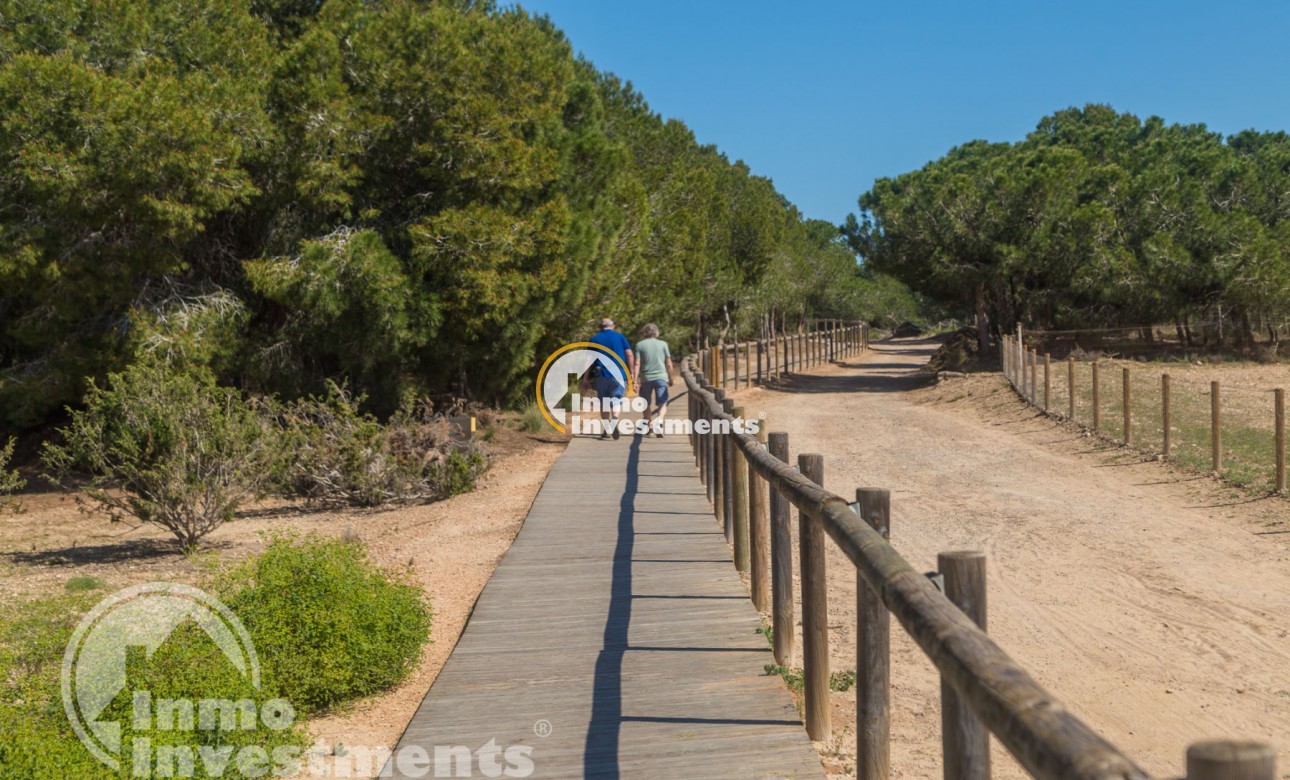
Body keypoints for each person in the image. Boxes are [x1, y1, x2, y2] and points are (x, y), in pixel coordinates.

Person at [588, 318, 633, 440]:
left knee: (604, 402)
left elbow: (589, 360)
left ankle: (607, 430)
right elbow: (629, 354)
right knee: (617, 399)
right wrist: (631, 372)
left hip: (601, 374)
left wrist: (585, 378)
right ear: (612, 326)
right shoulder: (620, 337)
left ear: (600, 327)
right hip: (619, 373)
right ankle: (615, 418)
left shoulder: (594, 339)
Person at [632, 323, 673, 438]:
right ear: (656, 332)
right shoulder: (663, 344)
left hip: (646, 378)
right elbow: (669, 363)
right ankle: (659, 422)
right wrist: (670, 377)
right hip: (661, 377)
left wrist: (634, 380)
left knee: (646, 404)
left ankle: (649, 429)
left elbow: (637, 363)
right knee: (662, 403)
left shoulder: (639, 345)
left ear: (644, 333)